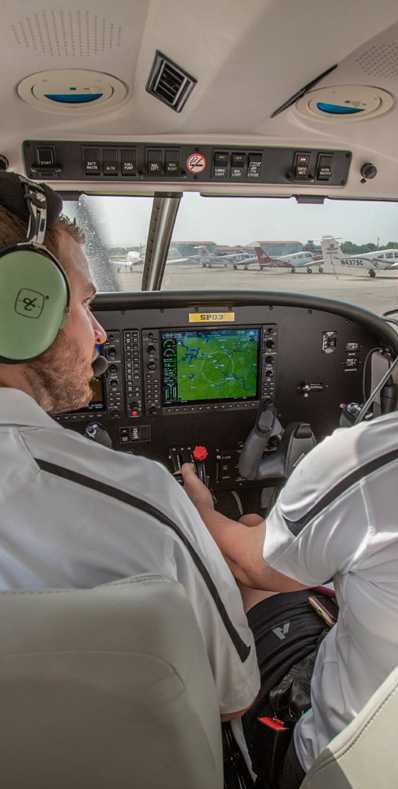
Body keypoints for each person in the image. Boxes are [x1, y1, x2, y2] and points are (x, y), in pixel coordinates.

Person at [181, 148, 398, 789]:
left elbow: (256, 565)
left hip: (345, 773)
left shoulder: (372, 459)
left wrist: (192, 498)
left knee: (251, 548)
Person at [0, 172, 260, 721]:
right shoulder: (145, 501)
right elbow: (234, 698)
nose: (99, 334)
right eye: (85, 305)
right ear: (23, 308)